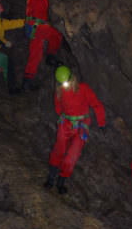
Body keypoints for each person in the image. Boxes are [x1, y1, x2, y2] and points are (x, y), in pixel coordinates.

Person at [44, 65, 106, 194]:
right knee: (59, 149)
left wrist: (101, 123)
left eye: (66, 83)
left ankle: (61, 181)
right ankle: (51, 177)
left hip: (81, 125)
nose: (64, 86)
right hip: (66, 123)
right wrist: (63, 116)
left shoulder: (83, 89)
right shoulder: (59, 91)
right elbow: (58, 107)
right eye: (61, 84)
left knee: (72, 154)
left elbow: (96, 104)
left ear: (72, 78)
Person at [22, 0, 63, 91]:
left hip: (32, 26)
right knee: (56, 35)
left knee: (35, 55)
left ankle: (26, 82)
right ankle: (50, 56)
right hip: (37, 25)